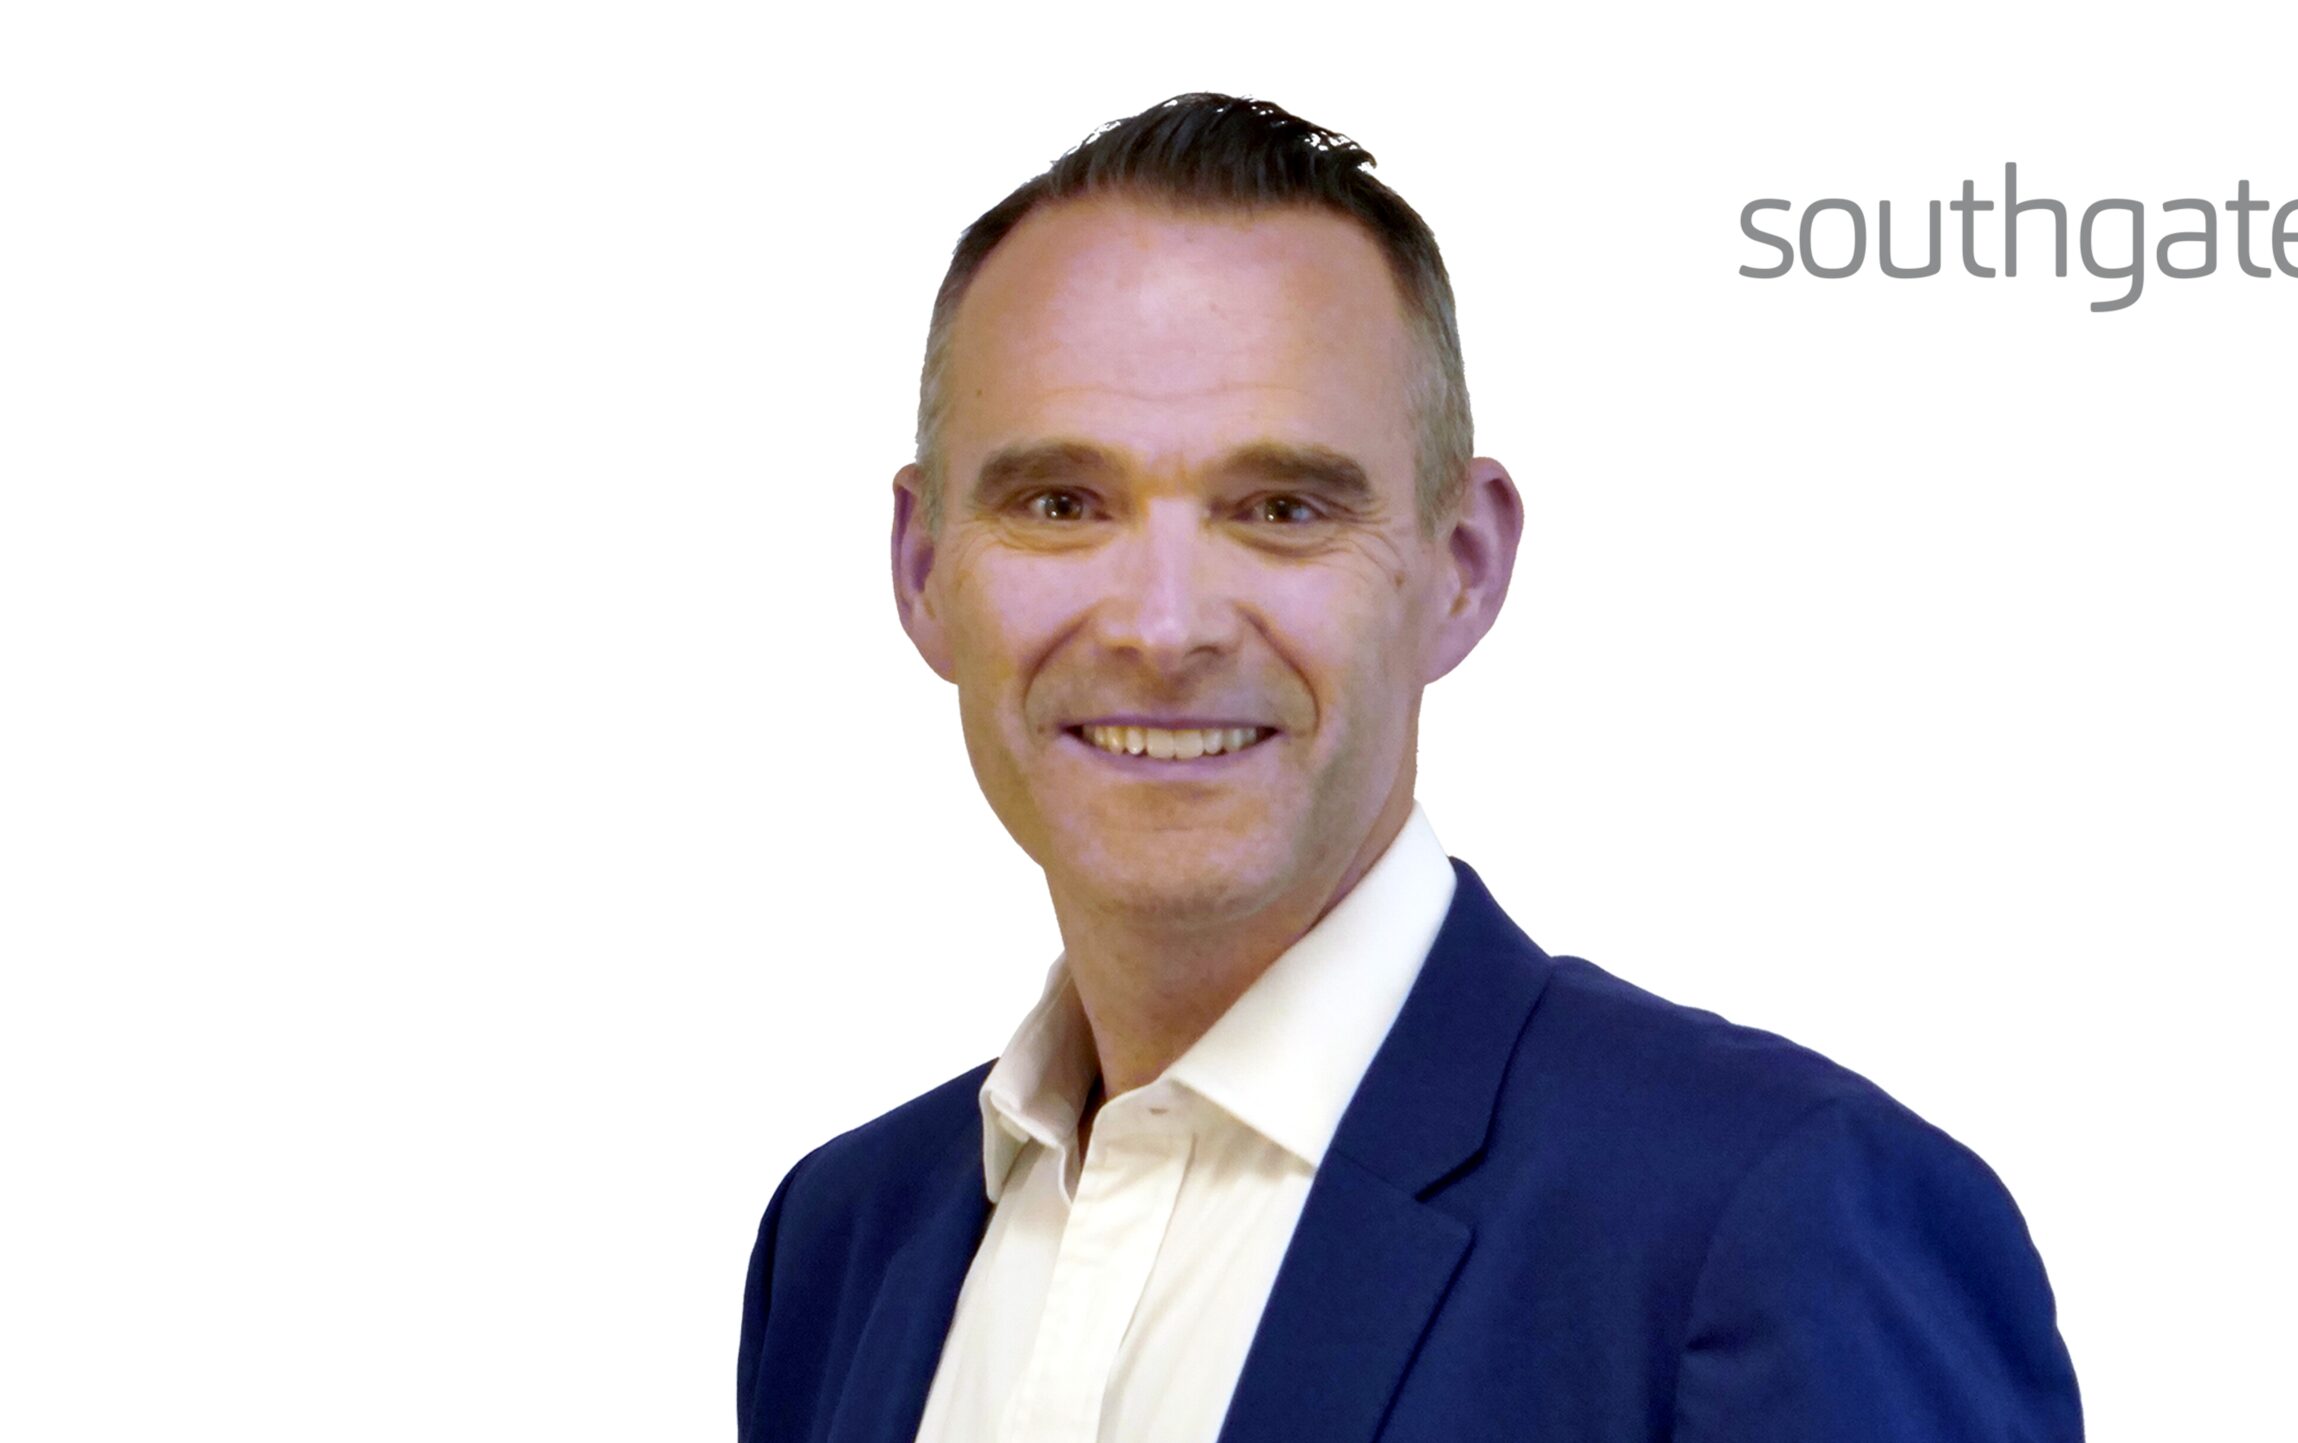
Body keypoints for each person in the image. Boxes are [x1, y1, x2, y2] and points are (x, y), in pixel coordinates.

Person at [736, 93, 2083, 1443]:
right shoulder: (840, 1247)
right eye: (1060, 504)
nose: (1162, 626)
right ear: (924, 570)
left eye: (1281, 509)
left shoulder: (1774, 1223)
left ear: (1464, 568)